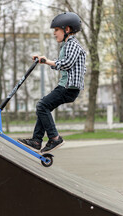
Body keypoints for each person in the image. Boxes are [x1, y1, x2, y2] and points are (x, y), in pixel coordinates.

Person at [18, 12, 86, 153]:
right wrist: (45, 60)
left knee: (42, 105)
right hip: (67, 86)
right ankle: (36, 140)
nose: (54, 33)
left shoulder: (72, 44)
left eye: (56, 30)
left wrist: (46, 60)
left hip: (69, 87)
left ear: (67, 30)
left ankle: (54, 138)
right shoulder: (67, 45)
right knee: (44, 107)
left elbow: (66, 64)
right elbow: (59, 64)